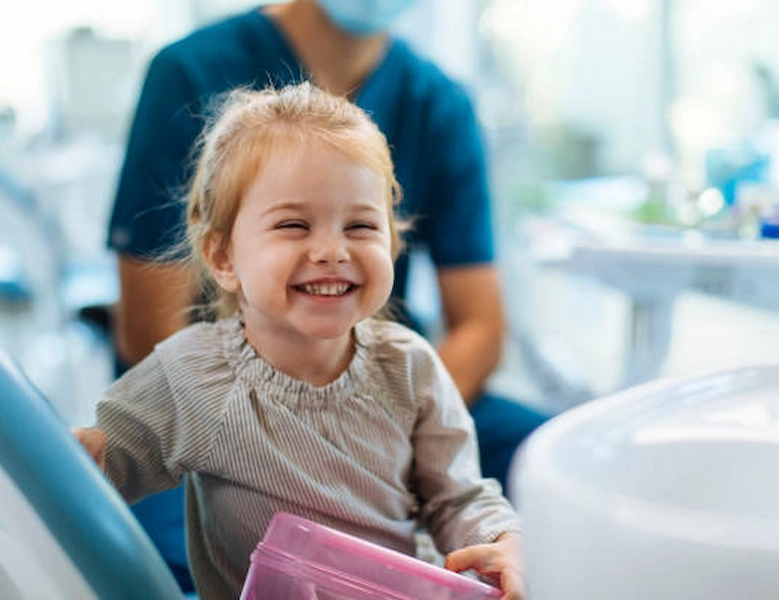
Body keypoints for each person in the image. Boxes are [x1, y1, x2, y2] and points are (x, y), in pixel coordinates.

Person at [107, 0, 549, 590]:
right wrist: (262, 440)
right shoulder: (189, 71)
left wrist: (392, 439)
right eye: (293, 225)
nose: (332, 250)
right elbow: (97, 447)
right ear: (220, 256)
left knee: (554, 471)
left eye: (362, 228)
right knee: (154, 567)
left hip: (379, 401)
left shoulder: (410, 368)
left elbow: (462, 480)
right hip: (221, 416)